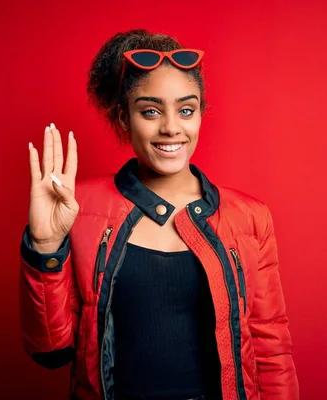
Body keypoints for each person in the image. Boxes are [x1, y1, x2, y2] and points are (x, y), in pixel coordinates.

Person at [19, 29, 299, 400]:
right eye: (150, 111)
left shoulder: (249, 217)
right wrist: (45, 245)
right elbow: (50, 350)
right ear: (123, 118)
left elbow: (271, 349)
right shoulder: (77, 207)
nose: (171, 127)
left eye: (186, 110)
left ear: (200, 115)